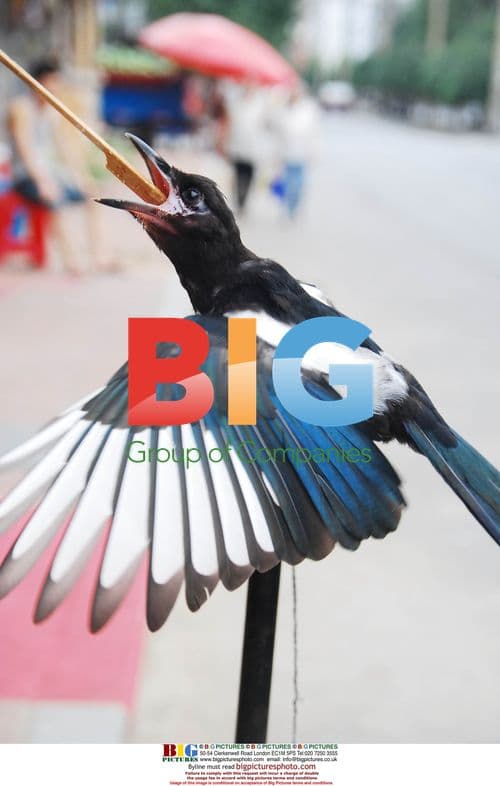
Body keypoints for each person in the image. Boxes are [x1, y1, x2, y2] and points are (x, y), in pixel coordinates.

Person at [6, 57, 108, 274]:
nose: (58, 86)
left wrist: (81, 176)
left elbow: (64, 149)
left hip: (51, 174)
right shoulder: (21, 108)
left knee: (94, 196)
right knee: (54, 198)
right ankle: (71, 260)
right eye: (54, 81)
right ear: (40, 82)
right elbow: (26, 151)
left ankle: (99, 256)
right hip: (26, 176)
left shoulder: (52, 111)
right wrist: (43, 181)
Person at [273, 85, 321, 218]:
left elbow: (314, 133)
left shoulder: (308, 111)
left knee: (298, 185)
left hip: (302, 154)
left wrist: (314, 151)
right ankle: (287, 206)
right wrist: (276, 153)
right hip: (286, 153)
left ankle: (294, 206)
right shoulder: (283, 110)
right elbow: (279, 133)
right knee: (287, 183)